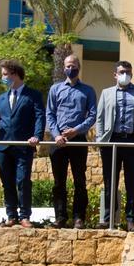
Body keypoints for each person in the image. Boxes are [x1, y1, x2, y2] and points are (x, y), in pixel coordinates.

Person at [0, 59, 44, 227]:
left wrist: (37, 136)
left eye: (5, 74)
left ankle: (24, 216)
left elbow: (39, 117)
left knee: (22, 181)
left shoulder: (33, 95)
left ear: (15, 74)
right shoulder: (1, 98)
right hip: (3, 147)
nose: (3, 78)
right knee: (7, 182)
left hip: (23, 146)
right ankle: (11, 215)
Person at [96, 60, 134, 231]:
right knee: (110, 181)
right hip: (111, 140)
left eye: (128, 71)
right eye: (121, 71)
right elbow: (100, 118)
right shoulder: (106, 93)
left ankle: (131, 219)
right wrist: (100, 140)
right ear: (115, 74)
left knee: (132, 183)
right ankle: (108, 218)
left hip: (133, 141)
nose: (125, 74)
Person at [46, 54, 97, 229]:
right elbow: (50, 114)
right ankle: (60, 217)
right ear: (63, 68)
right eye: (68, 65)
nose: (70, 68)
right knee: (59, 182)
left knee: (79, 181)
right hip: (58, 142)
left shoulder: (88, 90)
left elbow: (92, 116)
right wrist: (56, 134)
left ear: (79, 67)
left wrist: (76, 130)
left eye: (73, 65)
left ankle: (78, 218)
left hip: (79, 141)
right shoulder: (55, 89)